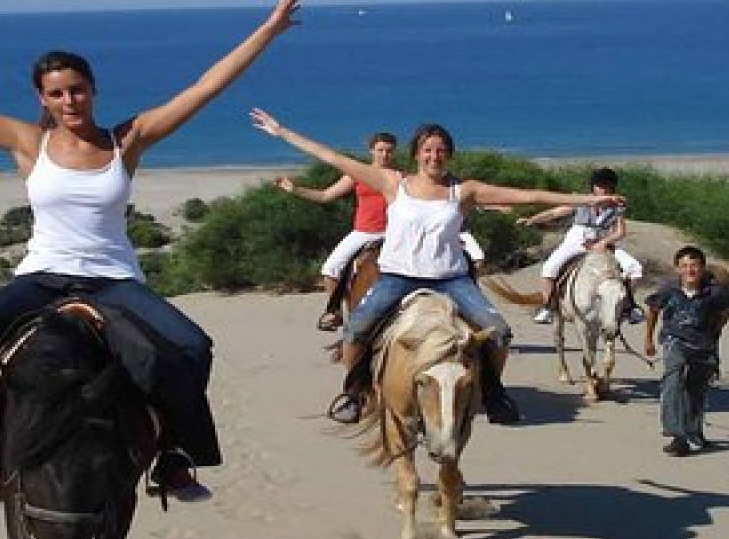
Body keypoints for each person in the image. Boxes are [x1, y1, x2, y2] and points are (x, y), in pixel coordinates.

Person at [0, 0, 302, 506]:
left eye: (77, 90)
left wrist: (268, 31)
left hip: (113, 282)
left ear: (93, 91)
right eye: (57, 94)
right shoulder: (28, 143)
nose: (69, 101)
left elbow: (206, 87)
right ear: (43, 100)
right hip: (42, 277)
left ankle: (172, 455)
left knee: (190, 347)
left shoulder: (128, 140)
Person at [250, 110, 623, 425]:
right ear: (416, 154)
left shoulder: (465, 190)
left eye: (441, 150)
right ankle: (353, 393)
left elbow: (530, 196)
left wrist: (590, 199)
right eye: (428, 150)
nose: (434, 156)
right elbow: (331, 157)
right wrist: (281, 132)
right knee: (356, 329)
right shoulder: (391, 181)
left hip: (450, 279)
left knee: (499, 333)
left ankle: (493, 393)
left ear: (450, 155)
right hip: (397, 276)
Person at [274, 131, 399, 331]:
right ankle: (336, 312)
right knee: (330, 269)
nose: (385, 155)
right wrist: (294, 189)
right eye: (380, 150)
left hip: (395, 233)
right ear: (371, 151)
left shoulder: (402, 177)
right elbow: (325, 195)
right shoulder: (358, 173)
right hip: (364, 232)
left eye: (389, 151)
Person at [642, 245, 729, 456]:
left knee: (696, 390)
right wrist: (648, 338)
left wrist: (715, 335)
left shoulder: (715, 293)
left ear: (702, 268)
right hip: (674, 340)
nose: (689, 270)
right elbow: (654, 309)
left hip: (702, 345)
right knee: (673, 381)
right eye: (684, 266)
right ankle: (677, 436)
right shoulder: (669, 289)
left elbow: (725, 311)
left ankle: (694, 431)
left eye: (694, 266)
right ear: (677, 269)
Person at [522, 166, 644, 325]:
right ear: (594, 187)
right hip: (576, 240)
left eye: (608, 186)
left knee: (635, 267)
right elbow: (555, 213)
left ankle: (628, 307)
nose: (604, 190)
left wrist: (603, 242)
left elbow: (620, 232)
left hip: (601, 242)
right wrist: (532, 220)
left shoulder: (617, 207)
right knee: (550, 267)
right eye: (601, 186)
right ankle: (548, 307)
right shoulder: (581, 201)